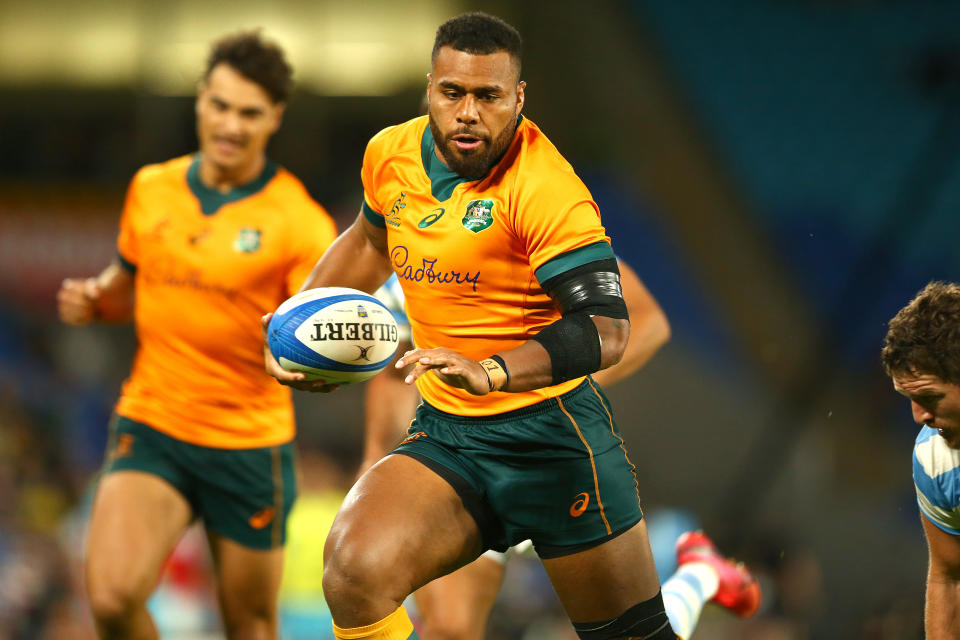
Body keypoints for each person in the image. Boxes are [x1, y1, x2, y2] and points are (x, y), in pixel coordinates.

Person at [265, 12, 757, 640]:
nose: (468, 112)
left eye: (488, 96)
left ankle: (698, 579)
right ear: (430, 89)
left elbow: (609, 328)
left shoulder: (547, 190)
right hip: (449, 439)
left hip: (554, 445)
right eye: (453, 93)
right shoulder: (390, 156)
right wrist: (295, 322)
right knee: (356, 572)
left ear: (517, 98)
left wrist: (493, 370)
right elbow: (367, 239)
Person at [57, 31, 337, 640]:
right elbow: (125, 285)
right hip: (154, 423)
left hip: (248, 444)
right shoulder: (150, 188)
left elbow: (318, 329)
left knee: (249, 625)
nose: (231, 124)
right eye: (220, 105)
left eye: (250, 112)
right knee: (109, 600)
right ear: (199, 102)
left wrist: (312, 369)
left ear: (275, 119)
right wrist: (96, 299)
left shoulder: (299, 222)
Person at [363, 266, 759, 640]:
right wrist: (375, 459)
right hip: (465, 459)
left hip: (551, 458)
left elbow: (649, 322)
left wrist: (549, 392)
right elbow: (399, 371)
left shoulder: (531, 237)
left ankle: (699, 575)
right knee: (449, 629)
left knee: (627, 633)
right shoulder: (409, 252)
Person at [883, 281, 960, 639]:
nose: (919, 417)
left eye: (929, 397)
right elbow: (950, 577)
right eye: (908, 398)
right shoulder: (934, 459)